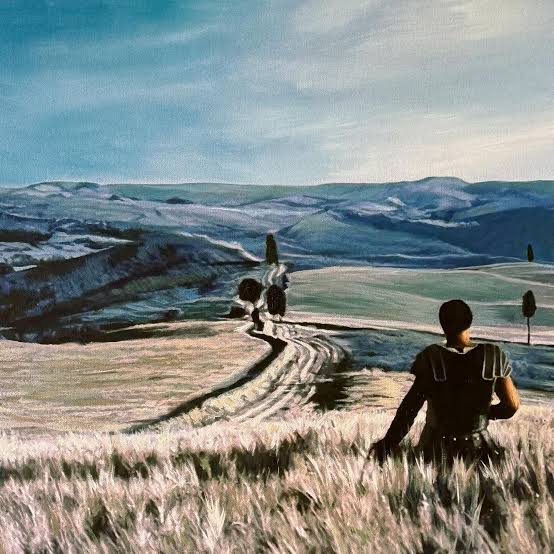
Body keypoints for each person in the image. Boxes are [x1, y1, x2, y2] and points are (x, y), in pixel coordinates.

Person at [372, 299, 520, 465]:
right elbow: (512, 405)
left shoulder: (431, 357)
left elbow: (409, 410)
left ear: (443, 325)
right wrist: (481, 414)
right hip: (479, 450)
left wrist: (387, 444)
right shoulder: (493, 354)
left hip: (434, 451)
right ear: (469, 321)